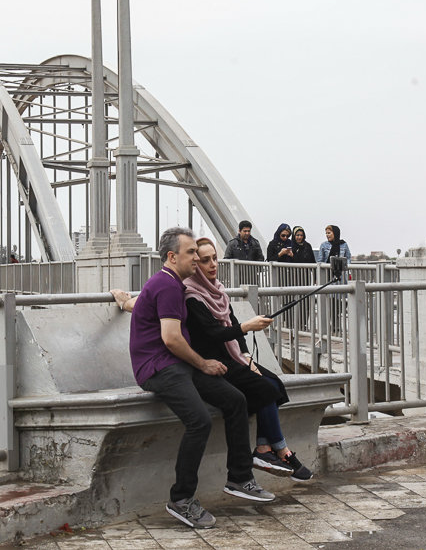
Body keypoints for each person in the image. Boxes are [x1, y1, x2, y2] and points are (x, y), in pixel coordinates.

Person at [118, 226, 275, 530]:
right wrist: (204, 364)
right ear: (171, 257)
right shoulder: (167, 285)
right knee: (199, 420)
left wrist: (123, 300)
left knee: (235, 400)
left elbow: (146, 310)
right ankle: (181, 499)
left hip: (176, 363)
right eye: (191, 252)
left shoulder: (173, 284)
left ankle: (240, 477)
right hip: (157, 367)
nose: (196, 257)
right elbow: (172, 338)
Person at [186, 237, 314, 481]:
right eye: (205, 261)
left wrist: (247, 356)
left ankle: (265, 448)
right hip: (213, 361)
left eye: (215, 258)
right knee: (264, 389)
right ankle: (283, 451)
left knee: (275, 384)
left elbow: (232, 324)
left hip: (233, 356)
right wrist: (248, 326)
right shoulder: (192, 296)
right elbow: (214, 333)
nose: (213, 264)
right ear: (195, 265)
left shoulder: (218, 291)